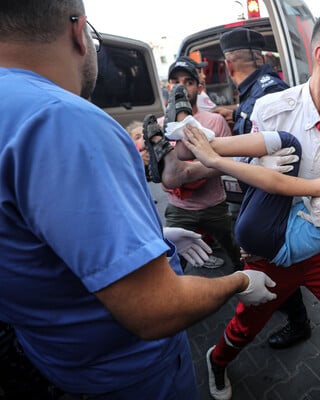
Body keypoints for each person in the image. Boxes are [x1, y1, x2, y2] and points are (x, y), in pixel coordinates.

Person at [0, 1, 278, 398]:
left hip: (55, 360)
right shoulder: (63, 120)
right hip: (130, 375)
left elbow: (34, 241)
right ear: (79, 32)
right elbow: (156, 308)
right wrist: (237, 282)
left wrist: (151, 235)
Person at [204, 5, 320, 399]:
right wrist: (249, 161)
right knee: (245, 325)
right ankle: (216, 362)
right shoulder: (272, 108)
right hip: (272, 245)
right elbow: (243, 174)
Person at [182, 129, 320, 267]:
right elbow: (303, 240)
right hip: (267, 246)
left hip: (267, 236)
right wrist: (264, 253)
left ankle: (198, 145)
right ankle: (195, 150)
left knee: (289, 144)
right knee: (260, 165)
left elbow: (278, 184)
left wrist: (214, 160)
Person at [162, 58, 243, 270]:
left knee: (233, 250)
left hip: (213, 204)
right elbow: (154, 167)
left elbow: (228, 161)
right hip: (179, 207)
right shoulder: (161, 125)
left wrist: (188, 173)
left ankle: (247, 282)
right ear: (168, 86)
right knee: (172, 258)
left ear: (199, 87)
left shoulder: (215, 121)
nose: (181, 87)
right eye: (175, 81)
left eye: (188, 82)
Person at [212, 27, 289, 136]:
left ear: (229, 66)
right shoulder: (262, 89)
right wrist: (235, 115)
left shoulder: (263, 94)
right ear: (263, 60)